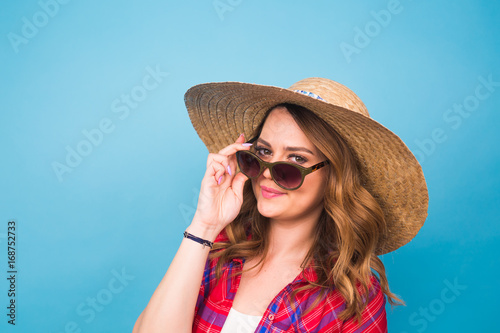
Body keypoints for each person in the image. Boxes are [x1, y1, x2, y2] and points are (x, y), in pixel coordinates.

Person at [132, 78, 428, 332]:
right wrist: (204, 225)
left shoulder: (355, 297)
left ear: (334, 177)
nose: (267, 174)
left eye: (296, 159)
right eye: (262, 152)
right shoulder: (218, 252)